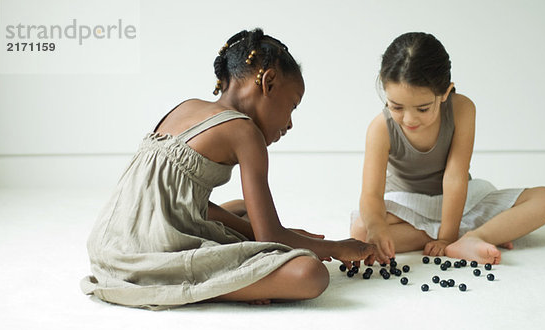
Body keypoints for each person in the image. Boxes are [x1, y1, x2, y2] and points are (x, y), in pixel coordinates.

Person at [81, 28, 376, 309]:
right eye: (292, 106)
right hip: (146, 256)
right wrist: (338, 247)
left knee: (237, 208)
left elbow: (185, 203)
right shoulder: (245, 132)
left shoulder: (186, 107)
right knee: (310, 274)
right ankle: (217, 288)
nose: (289, 124)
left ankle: (232, 279)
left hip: (109, 247)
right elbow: (271, 237)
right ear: (268, 82)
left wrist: (275, 233)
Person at [351, 32, 545, 266]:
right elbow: (371, 195)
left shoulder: (462, 109)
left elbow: (455, 176)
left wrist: (446, 238)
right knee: (361, 230)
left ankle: (474, 237)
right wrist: (378, 228)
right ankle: (491, 230)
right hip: (407, 204)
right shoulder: (380, 128)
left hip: (458, 199)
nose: (409, 119)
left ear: (445, 93)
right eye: (397, 106)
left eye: (423, 108)